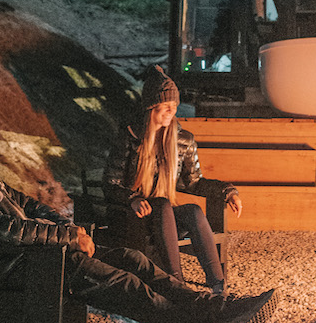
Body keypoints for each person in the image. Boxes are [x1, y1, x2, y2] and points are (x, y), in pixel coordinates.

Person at [0, 98, 277, 323]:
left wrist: (67, 226)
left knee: (131, 260)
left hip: (29, 254)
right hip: (11, 265)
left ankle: (217, 306)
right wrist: (65, 238)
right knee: (123, 283)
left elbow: (25, 205)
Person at [103, 68, 241, 293]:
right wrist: (133, 198)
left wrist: (227, 191)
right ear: (151, 107)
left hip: (163, 218)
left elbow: (194, 182)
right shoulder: (131, 138)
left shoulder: (183, 141)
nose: (172, 111)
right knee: (163, 204)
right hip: (134, 217)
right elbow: (111, 182)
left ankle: (218, 287)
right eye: (166, 106)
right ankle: (178, 287)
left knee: (194, 211)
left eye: (174, 106)